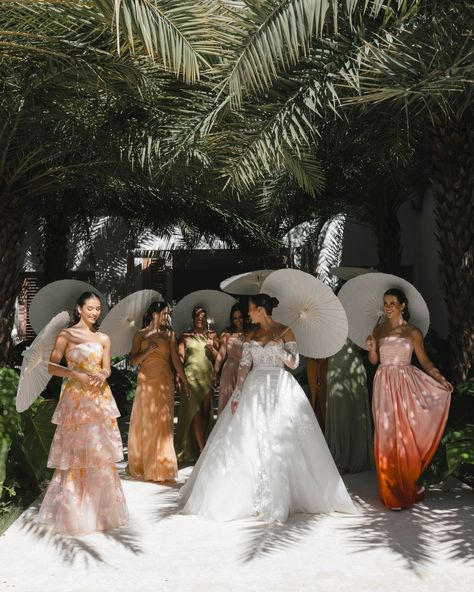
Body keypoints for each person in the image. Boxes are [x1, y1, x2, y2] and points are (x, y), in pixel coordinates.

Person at [179, 294, 357, 522]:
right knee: (248, 436)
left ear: (261, 310)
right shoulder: (251, 334)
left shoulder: (285, 331)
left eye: (251, 309)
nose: (249, 313)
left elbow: (294, 363)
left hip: (280, 386)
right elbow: (244, 365)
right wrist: (238, 392)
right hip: (254, 385)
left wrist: (280, 349)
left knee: (281, 435)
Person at [38, 292, 129, 534]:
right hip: (76, 401)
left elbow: (107, 367)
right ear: (79, 309)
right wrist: (74, 374)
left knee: (99, 453)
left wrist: (104, 373)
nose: (94, 312)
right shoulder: (66, 335)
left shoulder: (103, 338)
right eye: (90, 308)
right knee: (77, 453)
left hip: (99, 399)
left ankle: (98, 512)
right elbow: (52, 366)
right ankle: (75, 512)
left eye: (98, 308)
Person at [366, 288, 452, 510]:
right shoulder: (378, 329)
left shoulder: (413, 332)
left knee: (406, 435)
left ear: (403, 306)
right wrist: (372, 348)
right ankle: (391, 492)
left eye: (392, 303)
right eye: (385, 303)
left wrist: (440, 379)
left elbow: (424, 361)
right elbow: (374, 361)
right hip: (383, 384)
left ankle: (412, 483)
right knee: (386, 435)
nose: (387, 307)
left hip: (406, 383)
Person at [128, 301, 190, 482]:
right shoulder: (140, 335)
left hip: (164, 380)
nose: (166, 317)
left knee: (163, 421)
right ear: (154, 314)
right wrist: (147, 351)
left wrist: (184, 381)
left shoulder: (169, 334)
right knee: (147, 420)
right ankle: (145, 464)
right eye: (164, 313)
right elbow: (133, 361)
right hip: (146, 380)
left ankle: (163, 464)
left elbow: (176, 361)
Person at [175, 306, 219, 462]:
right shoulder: (185, 336)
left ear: (206, 318)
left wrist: (212, 347)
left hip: (207, 376)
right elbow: (180, 357)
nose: (200, 318)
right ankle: (202, 449)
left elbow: (219, 357)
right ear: (193, 318)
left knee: (207, 413)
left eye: (203, 316)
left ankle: (201, 444)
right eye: (197, 316)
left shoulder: (212, 335)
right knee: (196, 412)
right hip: (191, 376)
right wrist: (178, 377)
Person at [325, 338, 374, 473]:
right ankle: (340, 456)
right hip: (335, 367)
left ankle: (358, 455)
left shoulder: (356, 322)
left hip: (354, 367)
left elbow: (363, 347)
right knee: (339, 412)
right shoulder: (329, 322)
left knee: (356, 413)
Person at [214, 303, 246, 415]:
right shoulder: (227, 332)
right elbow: (221, 353)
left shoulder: (251, 332)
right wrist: (215, 372)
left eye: (240, 317)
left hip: (246, 372)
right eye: (235, 318)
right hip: (229, 372)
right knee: (227, 406)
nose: (238, 320)